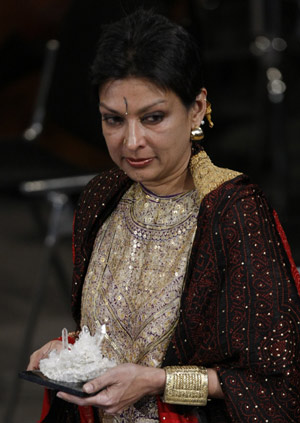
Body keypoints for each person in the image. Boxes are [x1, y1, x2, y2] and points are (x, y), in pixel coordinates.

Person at [27, 9, 300, 423]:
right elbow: (113, 336)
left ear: (197, 109)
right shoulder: (102, 198)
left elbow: (278, 384)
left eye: (153, 117)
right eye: (113, 120)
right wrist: (68, 354)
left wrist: (158, 382)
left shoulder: (233, 211)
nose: (131, 142)